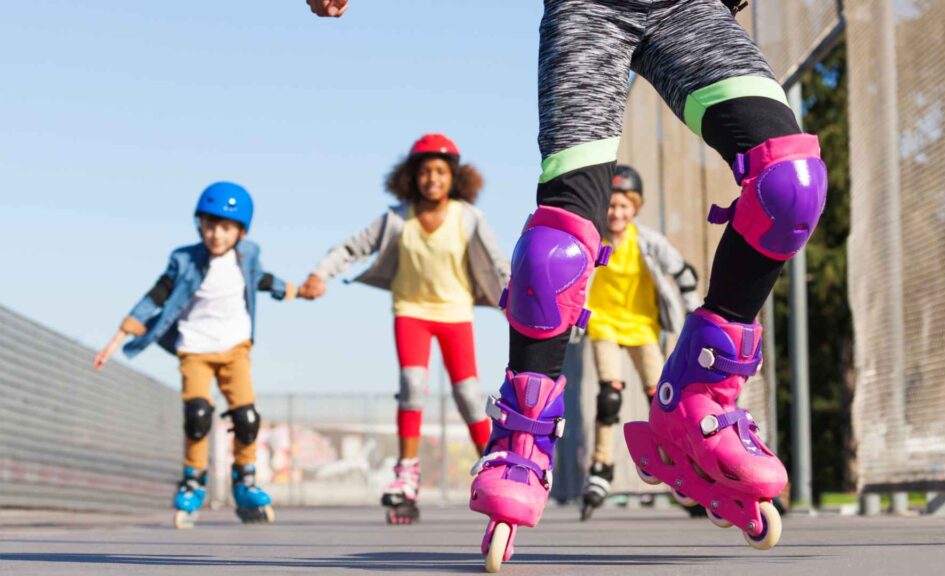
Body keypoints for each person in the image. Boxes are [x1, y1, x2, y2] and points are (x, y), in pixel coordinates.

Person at [305, 0, 827, 568]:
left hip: (691, 9)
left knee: (790, 184)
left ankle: (699, 395)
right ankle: (522, 436)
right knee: (560, 243)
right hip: (590, 11)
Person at [298, 134, 509, 525]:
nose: (432, 179)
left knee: (467, 394)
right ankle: (406, 474)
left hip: (456, 312)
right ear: (411, 177)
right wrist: (319, 274)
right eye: (425, 171)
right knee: (413, 384)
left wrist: (522, 302)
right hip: (410, 310)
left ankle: (494, 466)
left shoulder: (469, 218)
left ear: (455, 177)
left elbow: (499, 265)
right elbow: (349, 248)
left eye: (441, 172)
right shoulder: (396, 218)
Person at [94, 182, 296, 528]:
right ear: (199, 225)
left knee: (246, 417)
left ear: (240, 231)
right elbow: (158, 293)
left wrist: (290, 290)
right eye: (209, 225)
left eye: (226, 227)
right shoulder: (184, 259)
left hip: (236, 347)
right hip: (194, 349)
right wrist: (123, 331)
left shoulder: (248, 255)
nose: (216, 235)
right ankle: (192, 480)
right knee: (199, 413)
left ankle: (244, 480)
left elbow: (260, 279)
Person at [580, 165, 699, 521]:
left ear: (636, 208)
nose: (616, 214)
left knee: (662, 399)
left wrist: (693, 317)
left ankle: (684, 463)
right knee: (610, 394)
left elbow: (684, 273)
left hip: (643, 327)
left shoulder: (647, 240)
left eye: (624, 207)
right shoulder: (591, 239)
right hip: (602, 324)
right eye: (610, 206)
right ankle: (602, 467)